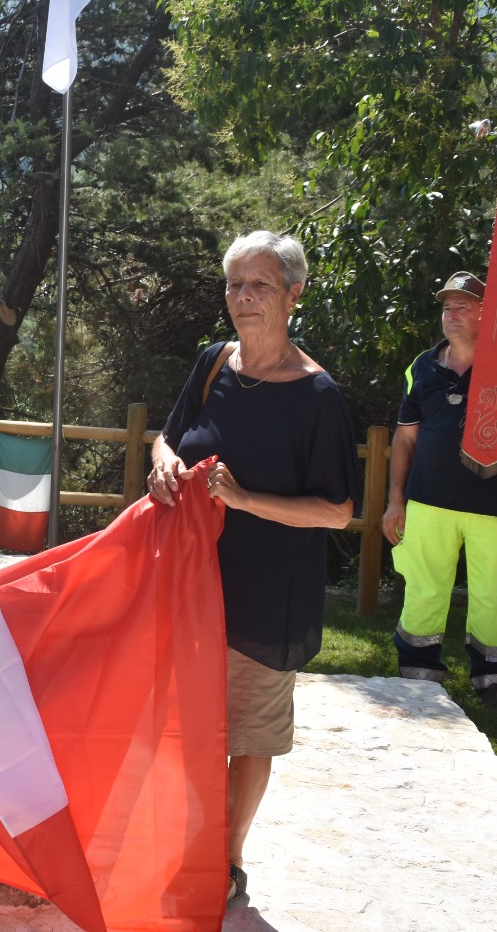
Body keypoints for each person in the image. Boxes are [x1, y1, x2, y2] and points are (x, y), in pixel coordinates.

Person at [148, 230, 359, 907]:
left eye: (259, 285)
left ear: (293, 295)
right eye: (235, 284)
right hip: (194, 587)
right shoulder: (214, 363)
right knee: (191, 728)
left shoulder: (317, 395)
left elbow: (336, 512)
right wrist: (162, 463)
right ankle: (188, 841)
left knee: (249, 737)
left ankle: (227, 858)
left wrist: (244, 501)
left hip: (271, 597)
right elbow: (169, 434)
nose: (243, 298)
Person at [384, 272, 497, 710]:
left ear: (488, 312)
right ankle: (417, 675)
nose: (451, 314)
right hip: (428, 502)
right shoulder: (422, 367)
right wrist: (396, 500)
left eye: (463, 306)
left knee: (496, 593)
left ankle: (493, 681)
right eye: (447, 306)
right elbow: (405, 439)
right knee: (424, 588)